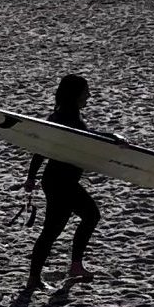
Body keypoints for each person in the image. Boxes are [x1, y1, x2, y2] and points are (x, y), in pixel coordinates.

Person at [24, 74, 102, 287]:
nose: (89, 95)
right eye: (86, 91)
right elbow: (42, 149)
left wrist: (32, 177)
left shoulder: (64, 115)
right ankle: (35, 278)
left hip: (60, 180)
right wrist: (31, 177)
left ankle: (72, 266)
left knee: (87, 217)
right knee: (57, 228)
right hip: (60, 182)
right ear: (76, 94)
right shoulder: (65, 118)